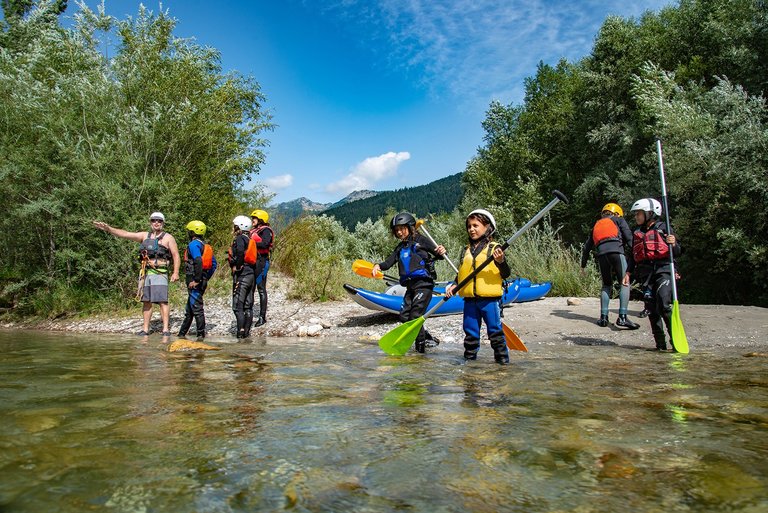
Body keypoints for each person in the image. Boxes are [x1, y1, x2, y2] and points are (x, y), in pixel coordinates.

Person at [93, 212, 180, 336]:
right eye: (154, 220)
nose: (156, 223)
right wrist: (109, 229)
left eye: (159, 221)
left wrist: (175, 272)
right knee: (146, 301)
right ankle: (145, 329)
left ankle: (165, 329)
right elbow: (126, 234)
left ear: (163, 223)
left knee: (162, 301)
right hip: (146, 273)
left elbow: (176, 255)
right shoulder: (144, 235)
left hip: (160, 273)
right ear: (150, 222)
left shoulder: (168, 238)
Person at [372, 212, 446, 353]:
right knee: (404, 316)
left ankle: (420, 351)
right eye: (396, 230)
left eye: (402, 228)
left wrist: (441, 250)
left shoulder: (421, 240)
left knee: (415, 316)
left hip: (424, 285)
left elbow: (439, 254)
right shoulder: (400, 248)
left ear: (410, 227)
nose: (399, 232)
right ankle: (427, 337)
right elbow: (388, 263)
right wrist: (377, 265)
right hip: (411, 287)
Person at [445, 209, 511, 364]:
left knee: (494, 333)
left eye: (476, 225)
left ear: (488, 227)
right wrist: (454, 286)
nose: (471, 229)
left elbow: (506, 273)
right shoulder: (466, 250)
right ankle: (470, 366)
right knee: (470, 334)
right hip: (470, 302)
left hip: (489, 301)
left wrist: (501, 261)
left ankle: (502, 365)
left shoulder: (495, 249)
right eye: (469, 226)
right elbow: (462, 275)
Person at [623, 198, 682, 351]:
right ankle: (660, 345)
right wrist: (628, 273)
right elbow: (633, 256)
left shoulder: (664, 228)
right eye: (636, 214)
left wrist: (673, 243)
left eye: (639, 214)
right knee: (651, 308)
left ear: (650, 213)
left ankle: (675, 341)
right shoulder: (637, 233)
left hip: (663, 270)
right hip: (646, 274)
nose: (636, 217)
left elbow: (677, 252)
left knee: (663, 303)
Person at [580, 203, 639, 329]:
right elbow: (629, 238)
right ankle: (622, 317)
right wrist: (637, 255)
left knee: (606, 285)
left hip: (602, 256)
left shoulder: (596, 225)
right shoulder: (619, 220)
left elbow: (586, 247)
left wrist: (583, 266)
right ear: (617, 213)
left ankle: (603, 318)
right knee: (624, 282)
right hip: (617, 253)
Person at [178, 220, 217, 339]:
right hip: (202, 279)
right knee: (190, 309)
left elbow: (198, 260)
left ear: (192, 232)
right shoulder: (205, 246)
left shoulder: (193, 244)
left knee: (197, 308)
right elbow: (214, 264)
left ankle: (201, 335)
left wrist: (197, 280)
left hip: (195, 281)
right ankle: (181, 335)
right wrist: (205, 278)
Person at [229, 215, 257, 338]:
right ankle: (246, 333)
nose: (233, 228)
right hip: (251, 275)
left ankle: (240, 333)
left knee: (237, 306)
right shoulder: (250, 239)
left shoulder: (240, 238)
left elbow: (240, 252)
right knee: (247, 306)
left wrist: (238, 266)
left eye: (235, 226)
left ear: (239, 227)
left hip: (243, 275)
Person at [250, 209, 273, 327]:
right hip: (254, 261)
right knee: (251, 288)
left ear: (260, 220)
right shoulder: (253, 231)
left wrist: (250, 243)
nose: (252, 220)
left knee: (261, 289)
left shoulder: (266, 231)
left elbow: (264, 244)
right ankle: (248, 314)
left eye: (254, 218)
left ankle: (262, 317)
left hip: (262, 261)